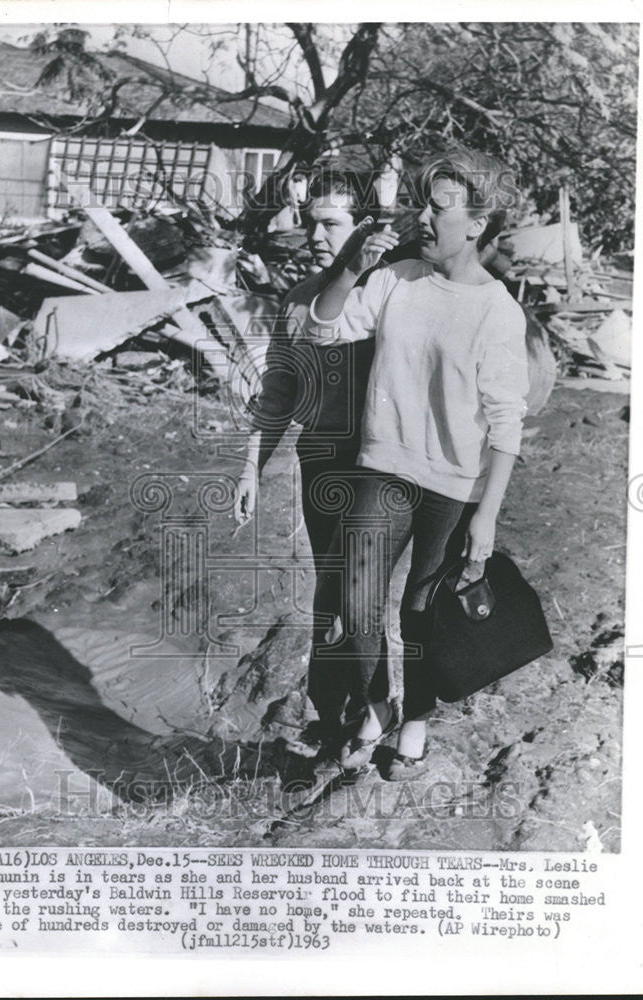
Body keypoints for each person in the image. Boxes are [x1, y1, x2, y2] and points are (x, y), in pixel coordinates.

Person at [305, 147, 529, 779]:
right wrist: (354, 264)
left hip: (453, 483)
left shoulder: (497, 312)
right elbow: (324, 329)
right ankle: (377, 704)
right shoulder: (397, 277)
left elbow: (508, 424)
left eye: (439, 207)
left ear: (477, 223)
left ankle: (416, 724)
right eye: (422, 205)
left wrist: (486, 517)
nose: (423, 219)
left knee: (422, 613)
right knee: (357, 595)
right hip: (382, 466)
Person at [233, 170, 430, 756]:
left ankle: (380, 710)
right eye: (311, 221)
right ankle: (333, 717)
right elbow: (278, 392)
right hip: (319, 455)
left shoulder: (396, 292)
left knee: (359, 594)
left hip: (383, 462)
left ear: (363, 227)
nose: (315, 233)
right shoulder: (300, 300)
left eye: (331, 222)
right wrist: (250, 468)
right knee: (333, 590)